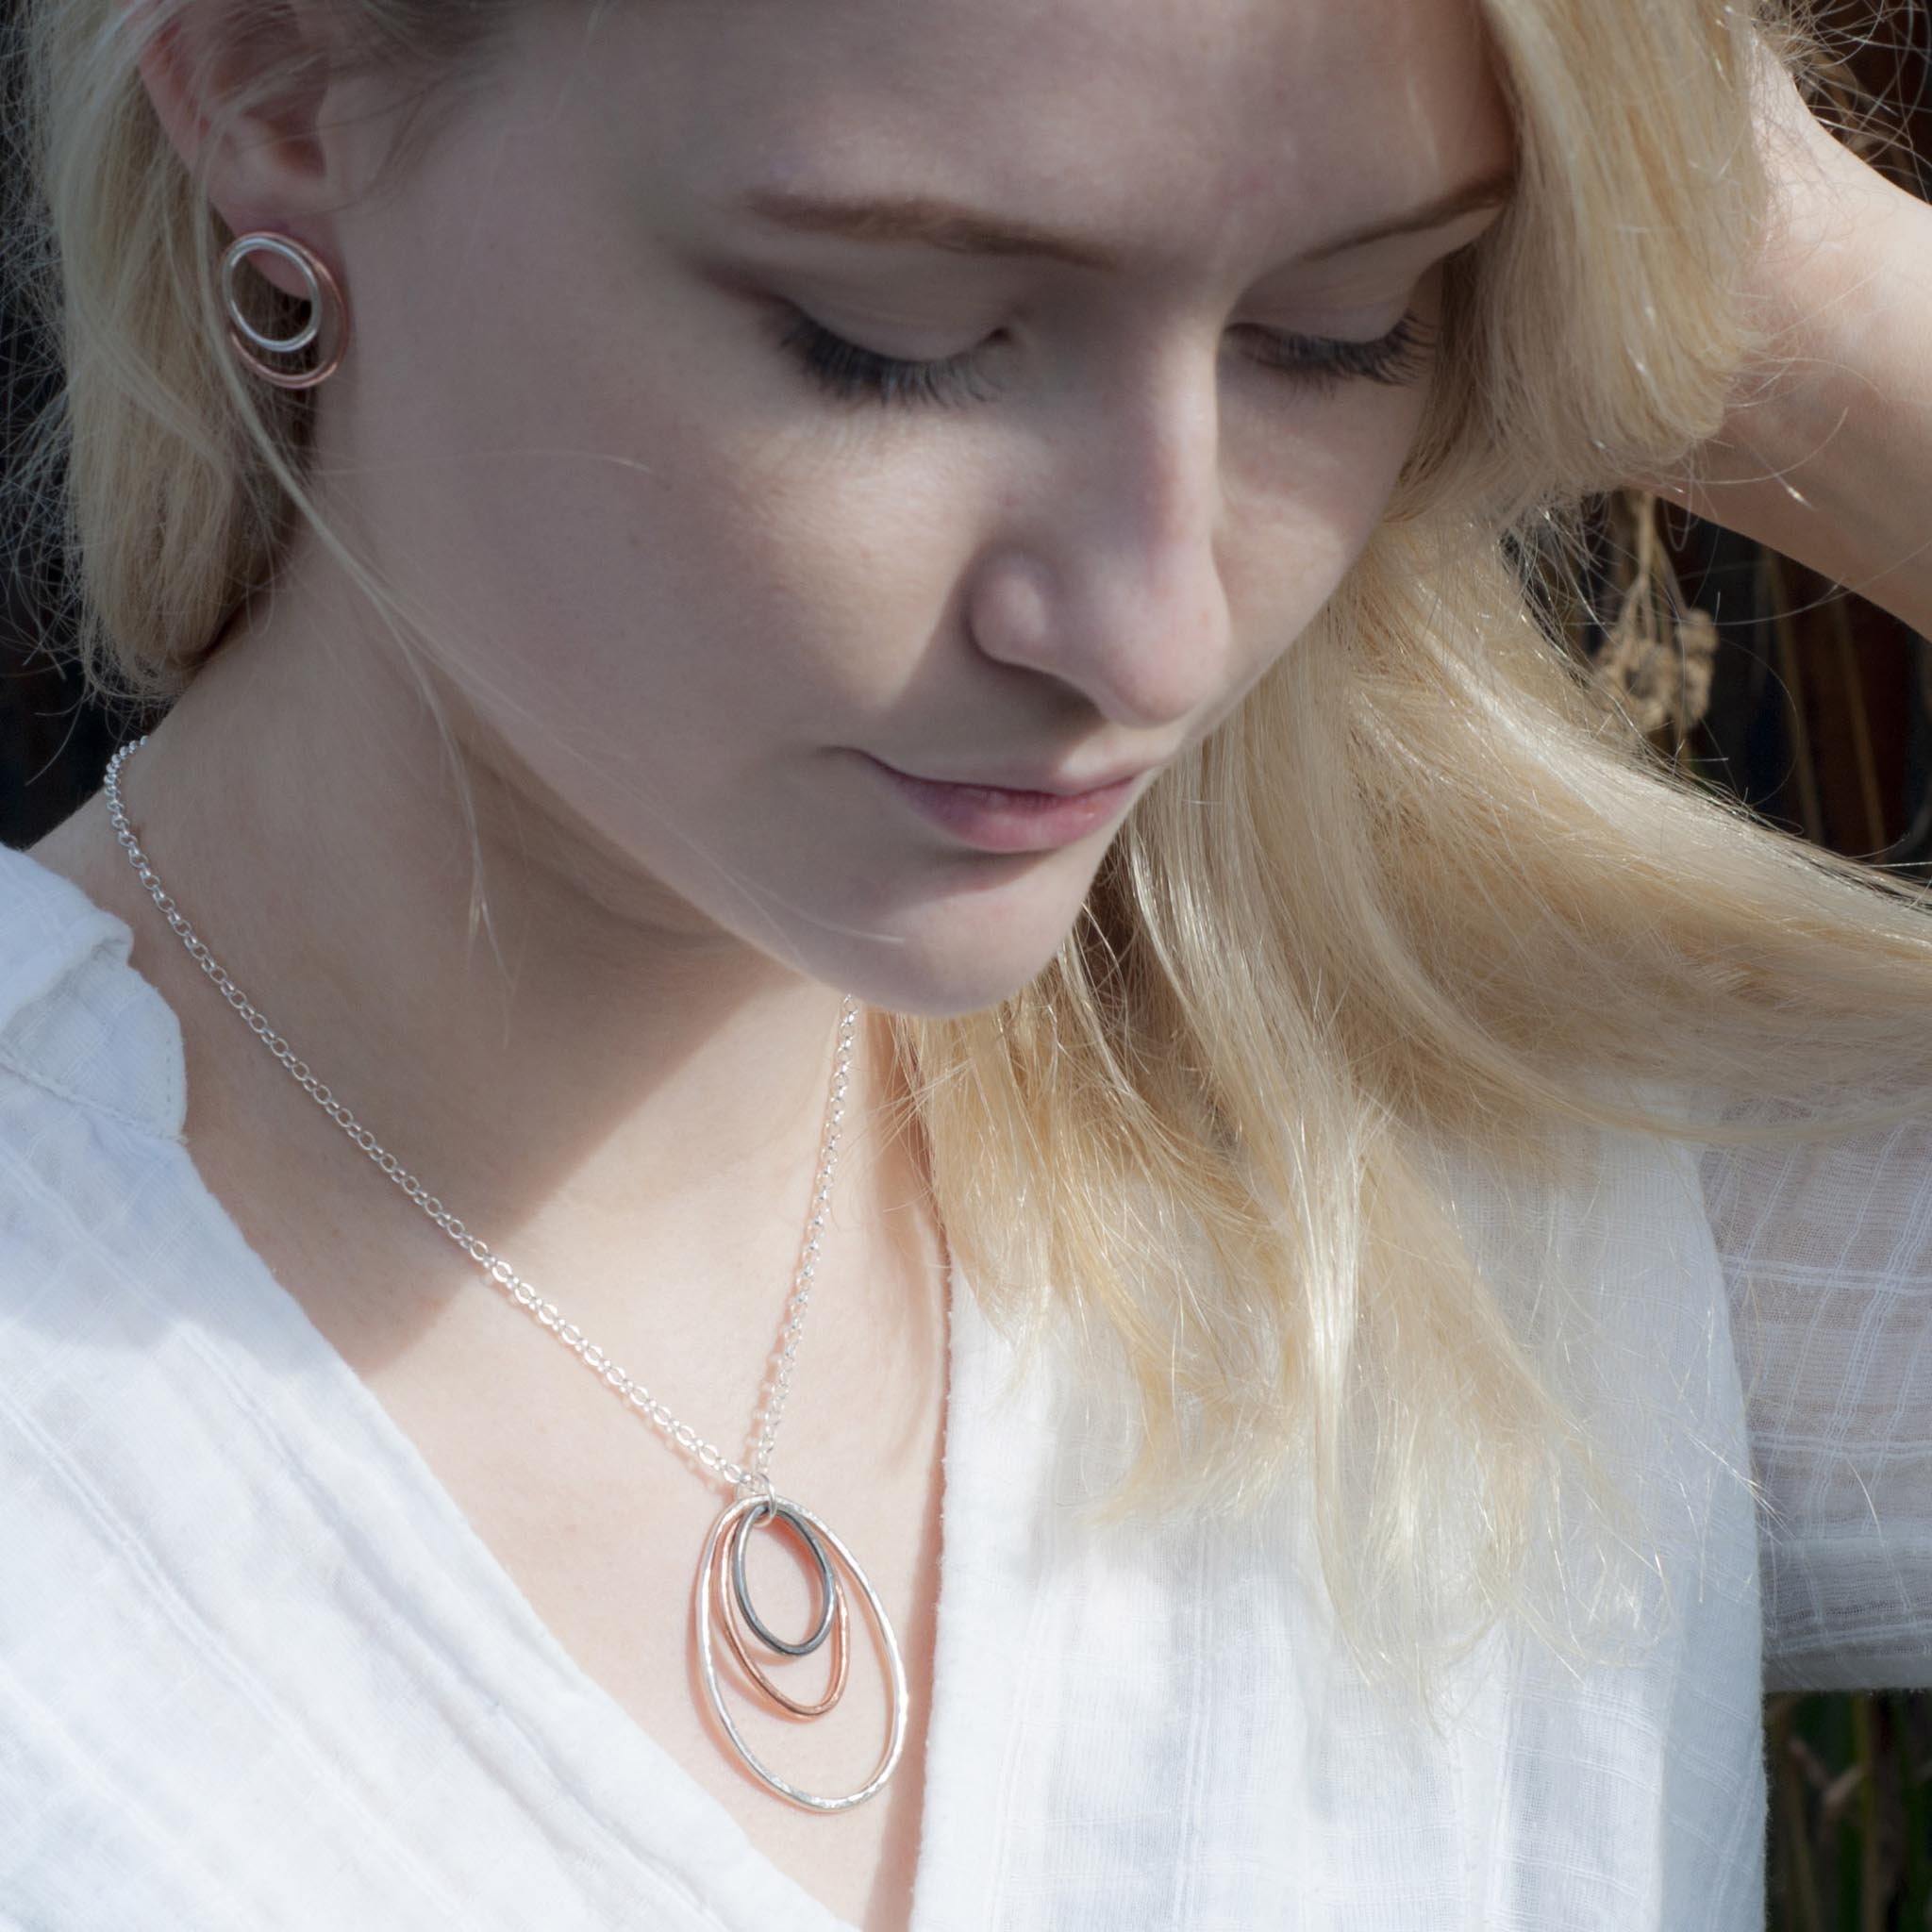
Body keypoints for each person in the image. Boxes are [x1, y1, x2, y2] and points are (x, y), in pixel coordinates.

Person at [0, 0, 1927, 1923]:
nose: (1151, 635)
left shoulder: (1454, 1183)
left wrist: (1780, 278)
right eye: (890, 341)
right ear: (274, 81)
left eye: (1342, 325)